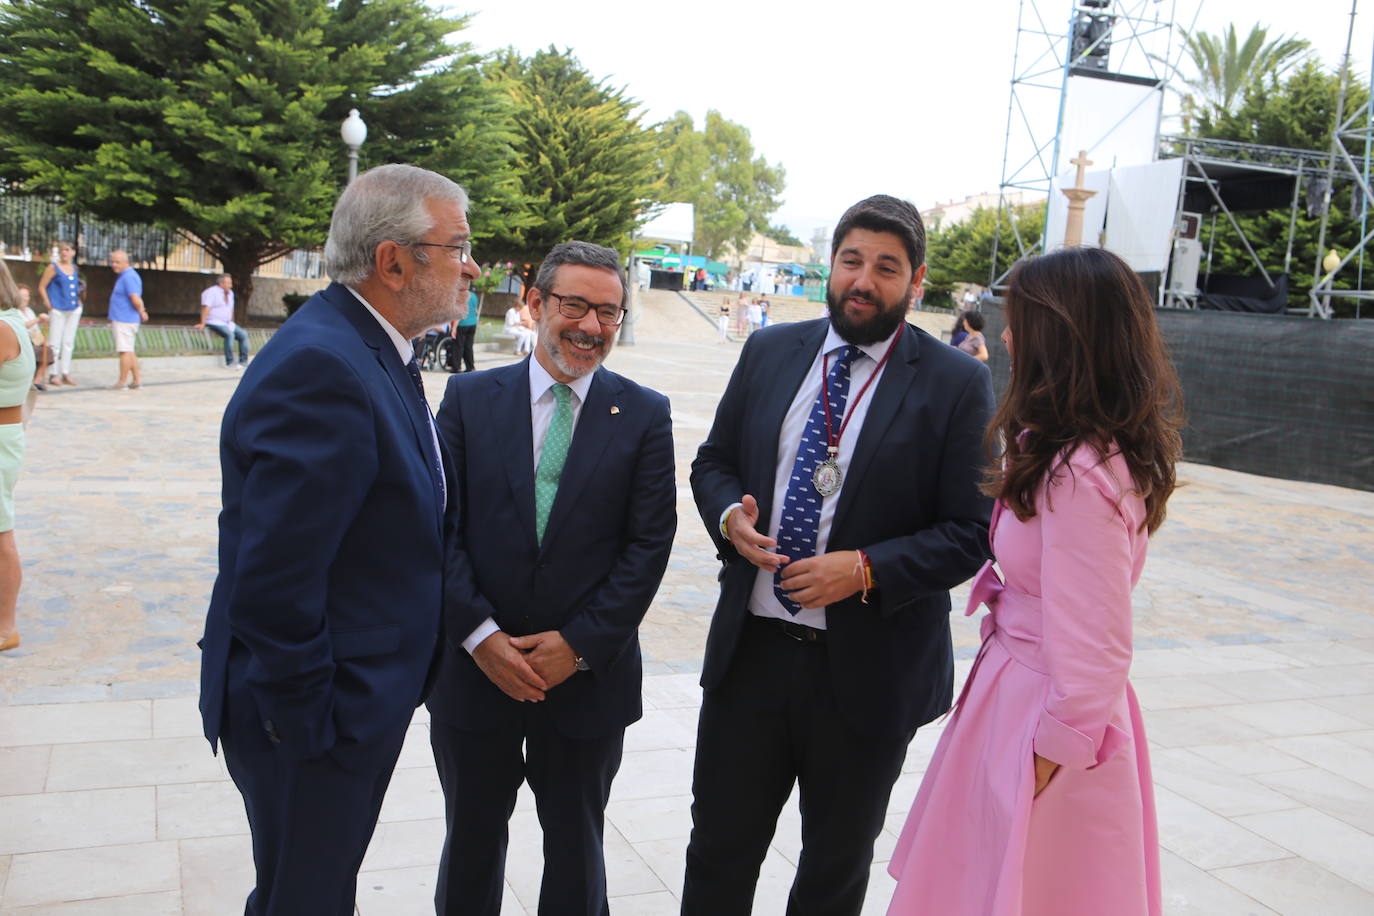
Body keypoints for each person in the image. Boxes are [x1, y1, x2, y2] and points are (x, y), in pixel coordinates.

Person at [683, 195, 995, 915]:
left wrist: (864, 569)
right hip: (751, 659)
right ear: (831, 267)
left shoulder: (956, 383)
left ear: (916, 283)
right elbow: (714, 461)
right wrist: (730, 515)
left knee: (833, 870)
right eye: (852, 260)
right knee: (719, 851)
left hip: (866, 675)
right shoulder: (770, 352)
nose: (864, 279)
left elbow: (972, 531)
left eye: (887, 268)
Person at [198, 164, 478, 916]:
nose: (473, 266)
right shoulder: (325, 366)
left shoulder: (371, 344)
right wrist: (315, 727)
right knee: (305, 899)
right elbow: (273, 582)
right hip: (313, 721)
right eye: (458, 245)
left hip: (346, 704)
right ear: (394, 262)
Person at [887, 246, 1182, 916]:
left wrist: (1044, 760)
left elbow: (1101, 646)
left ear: (1066, 332)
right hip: (1019, 696)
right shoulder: (1070, 451)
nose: (1010, 335)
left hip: (1042, 715)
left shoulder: (1077, 473)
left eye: (1022, 318)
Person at [428, 240, 676, 916]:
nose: (592, 327)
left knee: (575, 848)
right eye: (575, 306)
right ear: (534, 304)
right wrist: (481, 636)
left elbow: (649, 544)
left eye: (609, 313)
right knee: (472, 842)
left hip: (587, 682)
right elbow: (438, 530)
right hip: (476, 676)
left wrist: (579, 644)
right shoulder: (469, 399)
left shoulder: (645, 414)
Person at [0, 262, 35, 653]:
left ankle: (6, 626)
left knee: (1, 534)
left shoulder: (3, 326)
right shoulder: (13, 319)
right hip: (6, 434)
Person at [37, 241, 80, 387]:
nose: (64, 253)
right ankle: (53, 373)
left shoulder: (73, 268)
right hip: (58, 308)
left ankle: (65, 371)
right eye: (62, 250)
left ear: (73, 252)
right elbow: (42, 286)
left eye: (67, 250)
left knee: (68, 342)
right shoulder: (53, 267)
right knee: (54, 342)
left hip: (73, 308)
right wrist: (47, 301)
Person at [108, 250, 147, 390]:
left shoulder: (129, 277)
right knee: (129, 350)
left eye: (117, 262)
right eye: (112, 261)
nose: (114, 265)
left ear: (126, 262)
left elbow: (135, 298)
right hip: (124, 317)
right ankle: (137, 380)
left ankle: (122, 381)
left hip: (124, 318)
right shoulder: (125, 276)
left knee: (124, 351)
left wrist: (142, 311)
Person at [196, 274, 251, 369]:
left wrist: (232, 321)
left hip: (227, 322)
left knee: (243, 335)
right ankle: (230, 362)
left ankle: (243, 361)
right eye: (228, 283)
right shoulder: (211, 292)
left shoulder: (230, 293)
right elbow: (206, 308)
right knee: (229, 335)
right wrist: (203, 323)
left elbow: (230, 309)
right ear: (221, 283)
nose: (231, 285)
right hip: (214, 321)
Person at [16, 286, 50, 391]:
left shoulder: (29, 311)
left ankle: (36, 381)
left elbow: (35, 330)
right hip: (22, 341)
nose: (25, 298)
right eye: (23, 296)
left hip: (33, 339)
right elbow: (23, 326)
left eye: (27, 296)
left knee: (48, 351)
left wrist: (43, 341)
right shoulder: (14, 311)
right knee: (33, 352)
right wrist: (38, 319)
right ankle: (26, 381)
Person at [453, 289, 478, 372]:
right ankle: (470, 366)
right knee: (469, 346)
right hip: (473, 323)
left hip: (462, 323)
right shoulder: (474, 296)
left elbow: (459, 313)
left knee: (459, 346)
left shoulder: (460, 296)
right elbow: (475, 310)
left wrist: (454, 328)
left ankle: (457, 367)